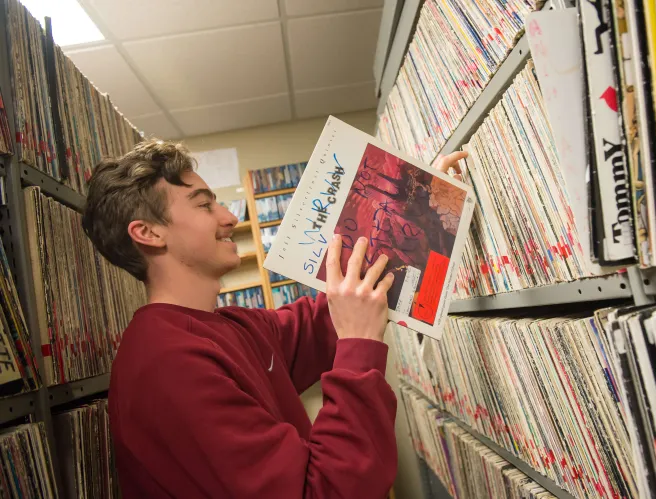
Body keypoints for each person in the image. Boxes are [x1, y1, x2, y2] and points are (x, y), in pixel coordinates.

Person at [82, 138, 467, 498]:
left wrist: (421, 207)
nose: (229, 217)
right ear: (148, 233)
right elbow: (326, 492)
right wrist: (360, 344)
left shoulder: (230, 326)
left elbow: (331, 311)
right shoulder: (165, 364)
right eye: (203, 205)